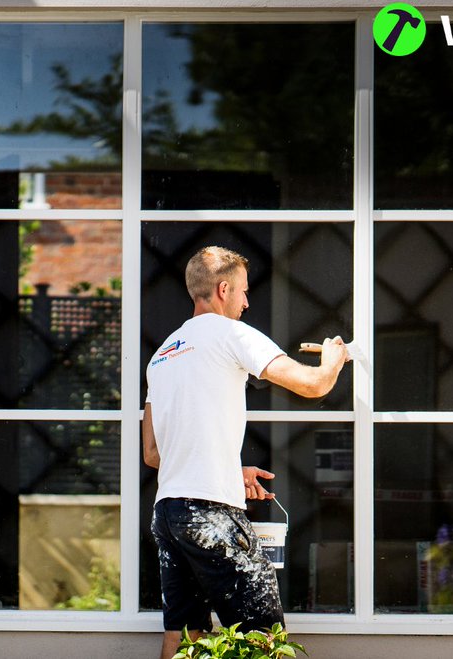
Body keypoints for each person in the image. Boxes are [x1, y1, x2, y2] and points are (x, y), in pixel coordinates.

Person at [143, 246, 350, 659]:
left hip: (169, 514)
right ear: (223, 289)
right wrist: (333, 361)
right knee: (266, 639)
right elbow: (312, 385)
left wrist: (228, 468)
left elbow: (153, 452)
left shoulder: (162, 355)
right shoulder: (231, 334)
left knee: (185, 636)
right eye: (243, 292)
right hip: (211, 515)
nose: (247, 302)